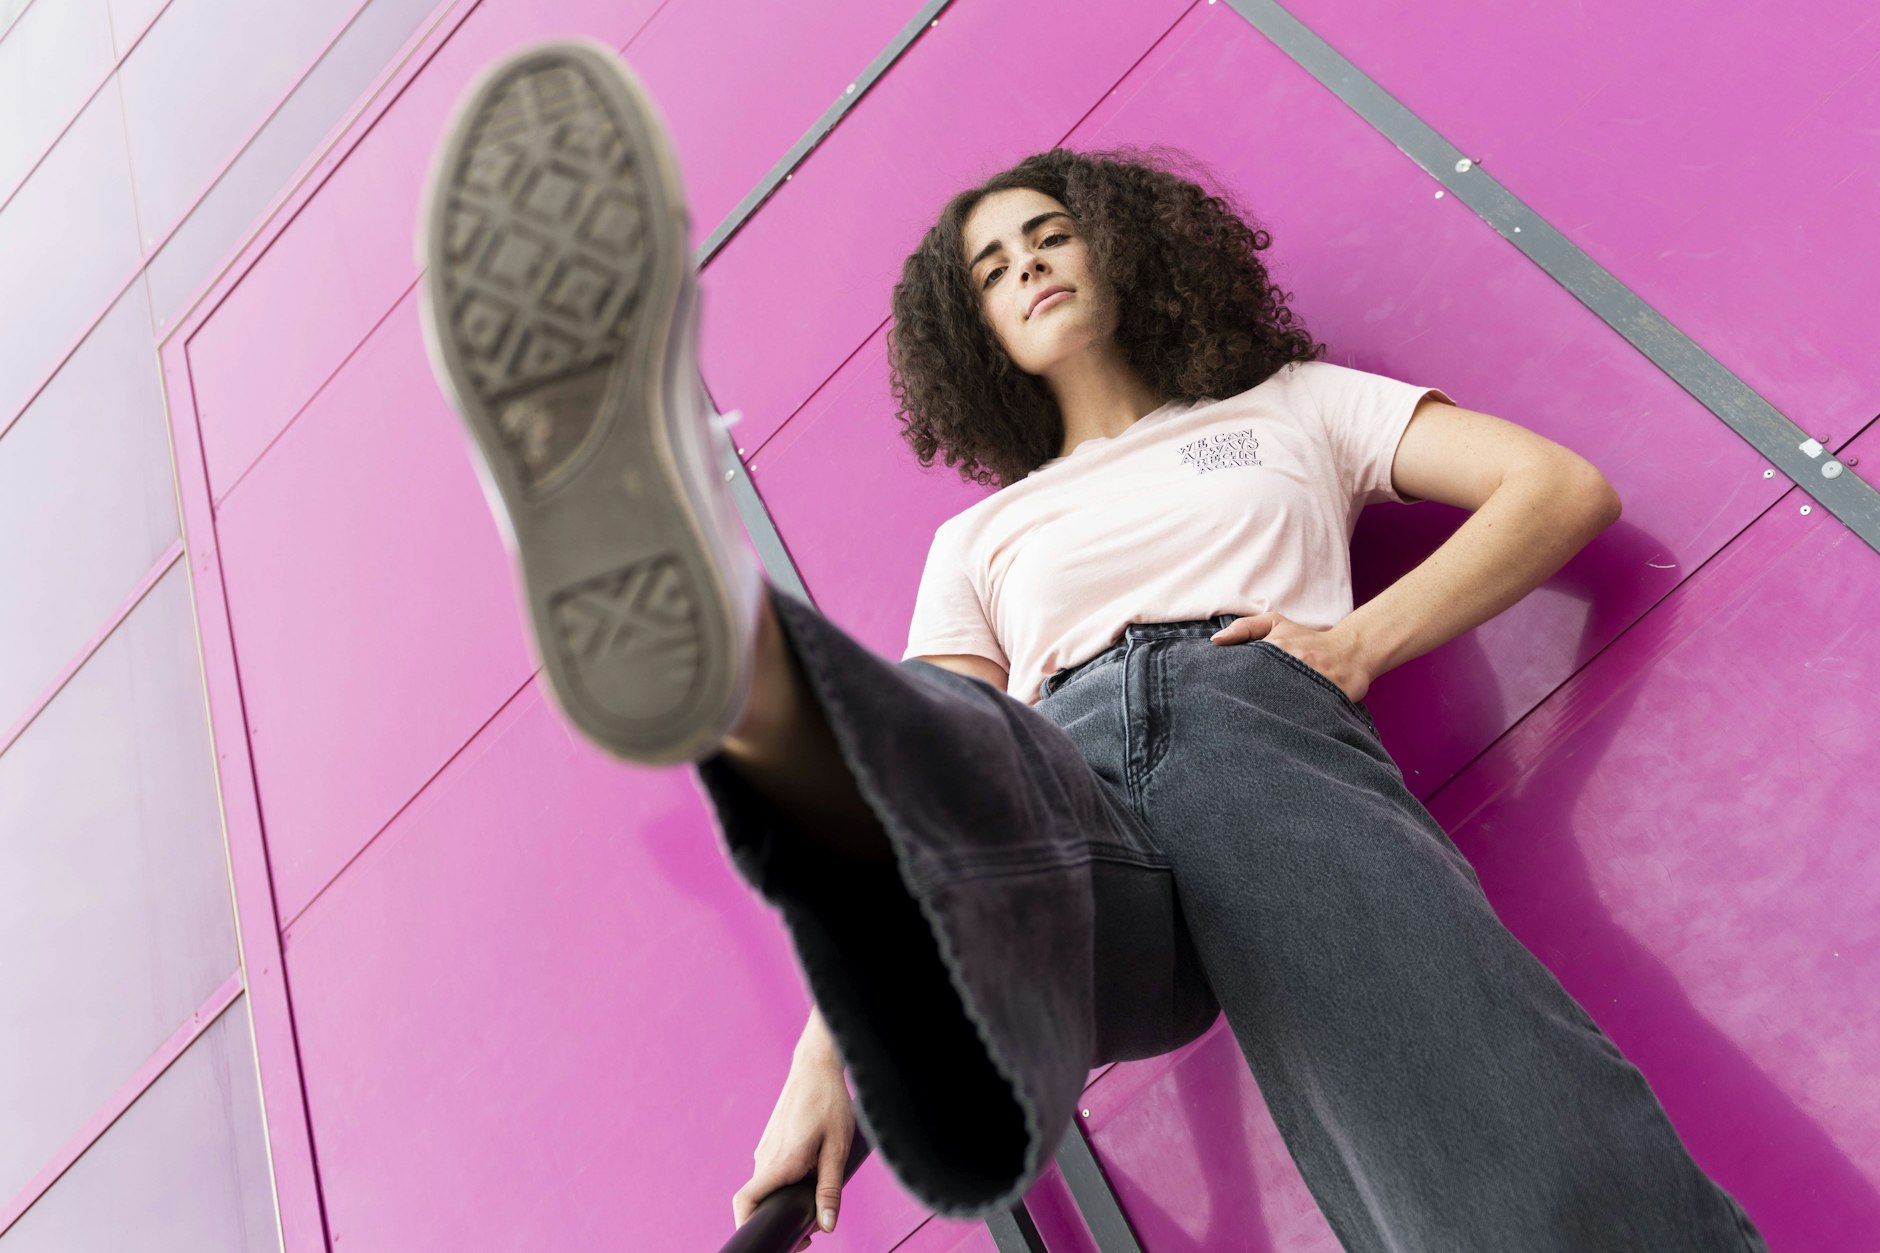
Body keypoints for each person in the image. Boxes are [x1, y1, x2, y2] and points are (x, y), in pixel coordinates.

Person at [416, 38, 1771, 1253]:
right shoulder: (986, 538)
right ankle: (744, 660)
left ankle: (740, 652)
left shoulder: (1293, 408)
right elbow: (914, 801)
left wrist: (1358, 643)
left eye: (1048, 235)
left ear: (1119, 246)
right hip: (1061, 792)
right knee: (948, 764)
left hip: (1261, 732)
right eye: (994, 271)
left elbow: (1556, 489)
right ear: (981, 334)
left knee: (1473, 1114)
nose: (1029, 268)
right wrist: (821, 1073)